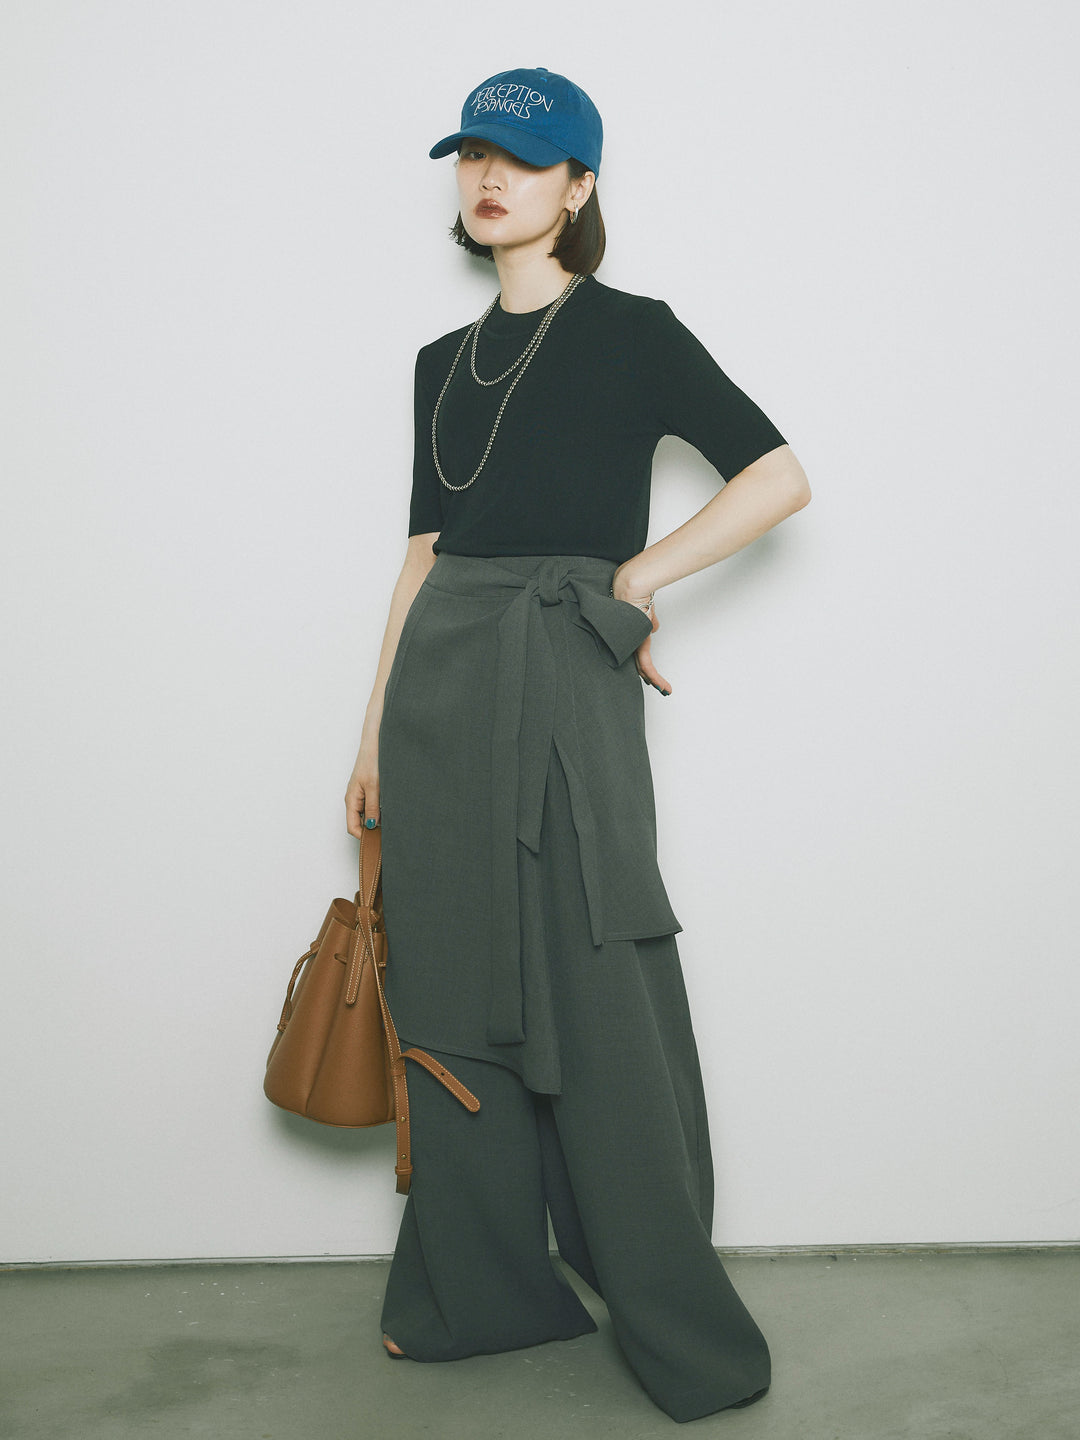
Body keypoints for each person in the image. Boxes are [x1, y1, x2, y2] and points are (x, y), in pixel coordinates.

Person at [344, 65, 811, 1424]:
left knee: (598, 971)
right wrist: (370, 732)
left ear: (580, 186)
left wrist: (637, 578)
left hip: (562, 656)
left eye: (526, 159)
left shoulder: (632, 331)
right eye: (474, 156)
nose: (492, 178)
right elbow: (424, 556)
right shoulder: (439, 364)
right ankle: (479, 1294)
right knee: (450, 978)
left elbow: (778, 476)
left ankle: (666, 1304)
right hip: (441, 681)